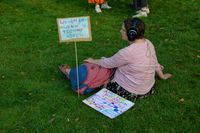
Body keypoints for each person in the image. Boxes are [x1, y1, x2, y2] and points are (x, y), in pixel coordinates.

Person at [84, 17, 172, 101]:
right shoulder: (148, 43)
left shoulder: (127, 52)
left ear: (131, 34)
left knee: (97, 73)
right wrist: (162, 76)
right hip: (148, 89)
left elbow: (108, 63)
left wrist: (93, 61)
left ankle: (73, 74)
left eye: (123, 30)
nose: (120, 31)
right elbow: (155, 63)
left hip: (128, 92)